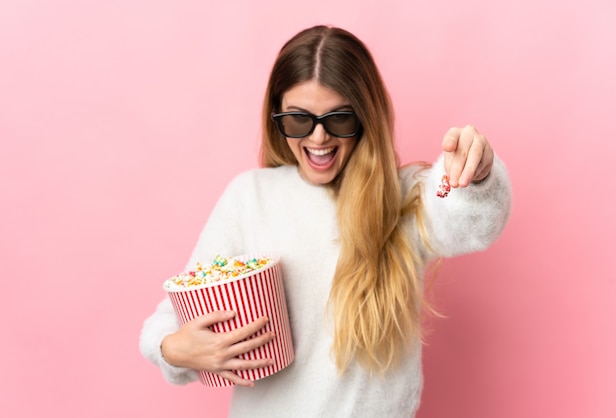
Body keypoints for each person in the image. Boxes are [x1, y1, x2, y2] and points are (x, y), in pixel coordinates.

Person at [140, 25, 512, 417]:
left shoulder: (403, 194)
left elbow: (469, 222)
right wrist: (172, 349)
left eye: (338, 119)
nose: (318, 138)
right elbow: (174, 313)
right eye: (299, 120)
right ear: (277, 118)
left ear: (365, 118)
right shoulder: (251, 196)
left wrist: (475, 175)